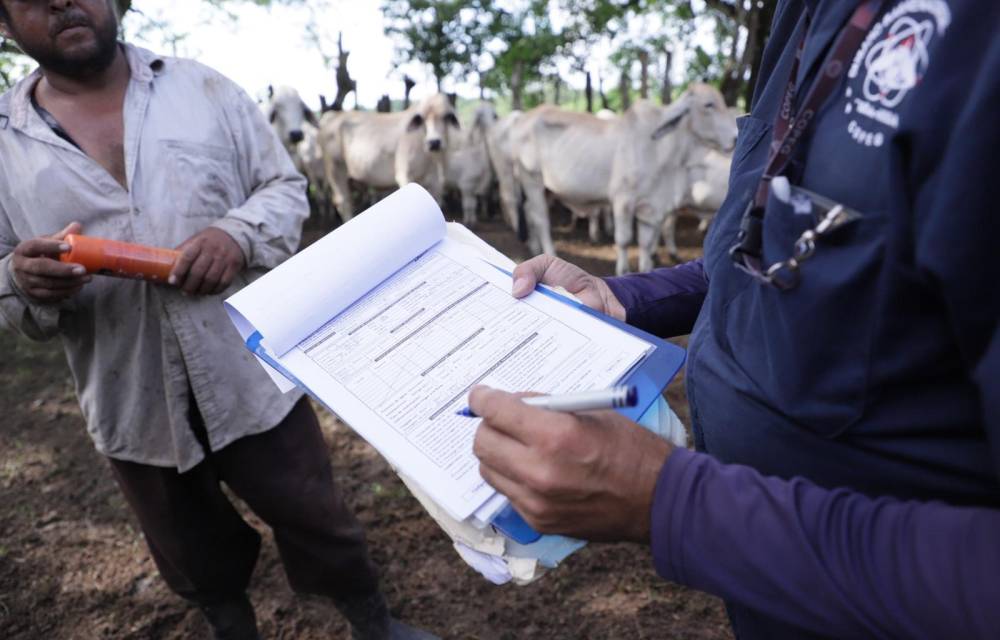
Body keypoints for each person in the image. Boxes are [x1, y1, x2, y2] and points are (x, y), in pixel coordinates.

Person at [470, 1, 999, 638]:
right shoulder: (803, 16)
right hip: (774, 586)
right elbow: (767, 250)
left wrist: (675, 505)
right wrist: (625, 300)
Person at [0, 2, 435, 639]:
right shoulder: (6, 142)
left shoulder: (204, 90)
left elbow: (284, 189)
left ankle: (374, 624)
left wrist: (237, 234)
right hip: (130, 393)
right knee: (187, 543)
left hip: (247, 365)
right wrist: (21, 279)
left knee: (315, 512)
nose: (65, 0)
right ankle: (230, 626)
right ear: (5, 25)